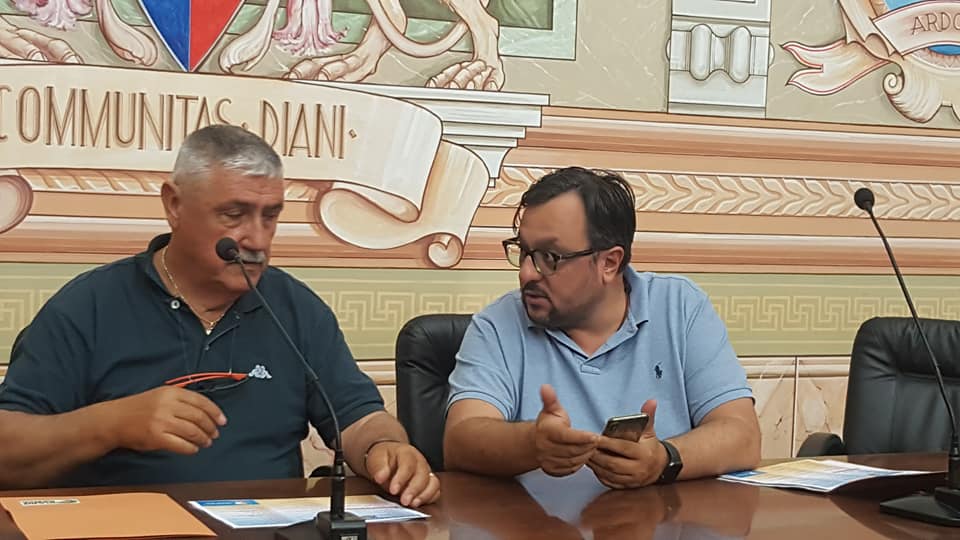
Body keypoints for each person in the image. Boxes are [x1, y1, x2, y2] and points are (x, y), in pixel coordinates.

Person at [0, 124, 440, 508]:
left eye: (270, 217)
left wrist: (386, 449)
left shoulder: (295, 308)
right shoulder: (88, 306)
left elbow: (359, 419)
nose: (257, 240)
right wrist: (110, 424)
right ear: (174, 205)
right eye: (234, 215)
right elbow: (7, 452)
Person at [443, 166, 760, 489]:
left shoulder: (681, 307)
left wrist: (663, 460)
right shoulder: (498, 324)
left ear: (609, 262)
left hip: (663, 516)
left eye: (549, 257)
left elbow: (743, 436)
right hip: (536, 518)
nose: (527, 273)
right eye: (523, 251)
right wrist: (532, 443)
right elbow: (459, 441)